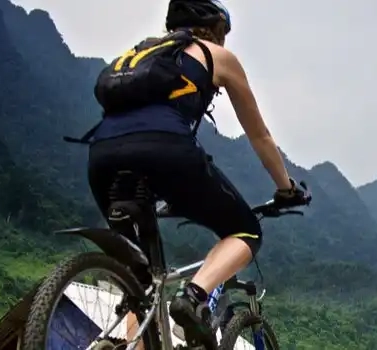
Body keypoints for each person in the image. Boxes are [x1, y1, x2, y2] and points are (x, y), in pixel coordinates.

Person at [85, 0, 309, 346]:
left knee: (139, 282)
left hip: (101, 156)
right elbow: (260, 136)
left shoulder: (140, 54)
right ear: (216, 28)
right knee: (245, 231)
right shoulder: (216, 56)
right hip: (165, 151)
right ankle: (191, 297)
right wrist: (287, 188)